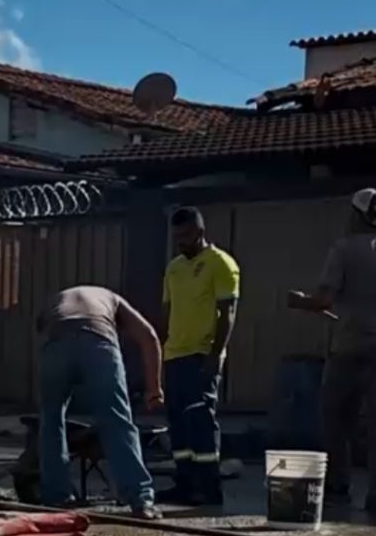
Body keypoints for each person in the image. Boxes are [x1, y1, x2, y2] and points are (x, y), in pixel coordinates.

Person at [288, 188, 376, 518]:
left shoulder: (344, 248)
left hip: (349, 349)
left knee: (336, 421)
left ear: (355, 215)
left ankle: (338, 489)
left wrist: (299, 301)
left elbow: (324, 300)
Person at [35, 285, 165, 520]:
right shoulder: (113, 299)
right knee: (117, 421)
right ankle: (140, 499)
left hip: (55, 345)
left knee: (51, 421)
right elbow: (149, 337)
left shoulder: (57, 298)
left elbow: (42, 328)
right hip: (97, 341)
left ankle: (56, 496)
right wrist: (153, 388)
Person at [159, 206, 240, 506]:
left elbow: (227, 313)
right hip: (175, 355)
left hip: (201, 355)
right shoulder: (174, 268)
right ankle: (184, 482)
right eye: (177, 236)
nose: (181, 241)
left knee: (201, 421)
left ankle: (208, 487)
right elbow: (168, 312)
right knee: (178, 423)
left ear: (201, 232)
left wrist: (215, 354)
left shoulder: (220, 263)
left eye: (187, 235)